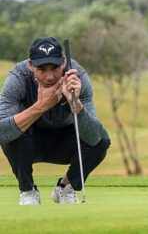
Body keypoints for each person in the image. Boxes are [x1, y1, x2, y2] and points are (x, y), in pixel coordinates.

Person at [0, 37, 110, 205]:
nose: (50, 76)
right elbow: (2, 133)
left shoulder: (77, 77)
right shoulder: (18, 77)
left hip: (65, 141)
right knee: (14, 132)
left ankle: (65, 187)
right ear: (31, 66)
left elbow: (95, 138)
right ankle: (28, 191)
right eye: (42, 69)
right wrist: (41, 105)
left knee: (102, 140)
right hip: (29, 142)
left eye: (55, 68)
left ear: (64, 63)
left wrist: (76, 104)